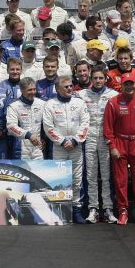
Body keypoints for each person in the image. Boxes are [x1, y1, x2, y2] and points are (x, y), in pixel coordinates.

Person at [104, 76, 135, 225]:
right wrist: (112, 146)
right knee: (121, 180)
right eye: (126, 84)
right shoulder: (113, 102)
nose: (129, 87)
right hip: (120, 143)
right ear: (121, 86)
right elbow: (108, 128)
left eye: (131, 84)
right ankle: (122, 210)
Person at [43, 75, 90, 221]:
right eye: (66, 87)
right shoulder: (50, 104)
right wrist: (63, 141)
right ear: (57, 89)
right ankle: (61, 210)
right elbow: (48, 127)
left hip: (76, 146)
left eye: (71, 86)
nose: (70, 88)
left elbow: (85, 123)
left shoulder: (79, 103)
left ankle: (76, 209)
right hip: (59, 147)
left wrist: (75, 141)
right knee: (60, 179)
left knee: (76, 179)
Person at [6, 78, 46, 159]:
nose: (33, 92)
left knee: (38, 171)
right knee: (23, 171)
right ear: (22, 90)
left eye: (34, 89)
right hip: (21, 148)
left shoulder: (42, 104)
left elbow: (47, 123)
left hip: (37, 146)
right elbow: (11, 127)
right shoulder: (14, 106)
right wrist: (28, 135)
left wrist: (44, 138)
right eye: (29, 90)